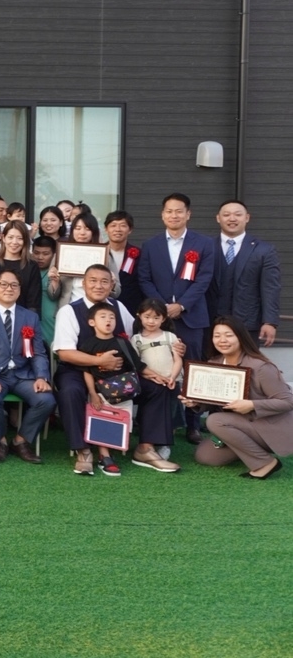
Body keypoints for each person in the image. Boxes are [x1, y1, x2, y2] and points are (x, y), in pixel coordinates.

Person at [51, 265, 148, 474]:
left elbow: (137, 336)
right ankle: (82, 449)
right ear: (83, 283)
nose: (98, 286)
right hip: (76, 369)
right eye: (93, 281)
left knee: (154, 387)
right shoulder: (69, 311)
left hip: (115, 371)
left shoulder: (119, 307)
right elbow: (65, 353)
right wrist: (99, 361)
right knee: (71, 391)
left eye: (104, 281)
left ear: (112, 285)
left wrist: (169, 343)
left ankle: (146, 447)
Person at [138, 192, 216, 443]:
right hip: (157, 319)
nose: (174, 215)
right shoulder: (150, 245)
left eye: (179, 211)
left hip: (191, 317)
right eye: (169, 211)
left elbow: (204, 279)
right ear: (162, 215)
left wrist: (181, 305)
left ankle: (193, 424)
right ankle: (158, 422)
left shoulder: (204, 244)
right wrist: (162, 308)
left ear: (188, 214)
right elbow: (144, 278)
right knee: (156, 366)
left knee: (192, 369)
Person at [0, 268, 54, 464]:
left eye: (14, 285)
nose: (9, 289)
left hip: (23, 375)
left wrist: (41, 377)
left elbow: (38, 352)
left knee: (46, 400)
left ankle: (20, 441)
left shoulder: (30, 317)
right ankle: (1, 442)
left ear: (20, 290)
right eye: (3, 284)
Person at [185, 317, 293, 479]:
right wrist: (195, 402)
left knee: (215, 420)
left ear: (240, 337)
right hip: (239, 425)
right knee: (205, 456)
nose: (222, 340)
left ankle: (265, 463)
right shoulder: (214, 363)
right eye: (217, 335)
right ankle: (247, 448)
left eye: (229, 335)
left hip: (269, 426)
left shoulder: (261, 367)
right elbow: (215, 399)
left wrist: (252, 405)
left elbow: (288, 401)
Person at [81, 304, 143, 476]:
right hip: (101, 391)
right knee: (102, 420)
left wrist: (157, 376)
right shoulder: (88, 344)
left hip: (124, 391)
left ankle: (111, 451)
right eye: (103, 316)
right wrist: (93, 393)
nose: (108, 320)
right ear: (92, 322)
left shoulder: (122, 342)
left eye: (112, 317)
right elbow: (86, 372)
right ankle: (104, 456)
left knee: (121, 422)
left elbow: (137, 365)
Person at [210, 199, 280, 346]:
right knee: (210, 360)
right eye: (226, 215)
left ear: (247, 217)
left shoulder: (264, 250)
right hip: (210, 322)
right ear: (218, 218)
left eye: (238, 214)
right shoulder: (206, 247)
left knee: (246, 360)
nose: (232, 219)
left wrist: (270, 322)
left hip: (248, 323)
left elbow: (270, 288)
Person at [128, 297, 183, 472]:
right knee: (156, 404)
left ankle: (164, 444)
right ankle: (149, 444)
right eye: (147, 317)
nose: (151, 321)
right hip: (150, 381)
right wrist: (153, 377)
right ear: (139, 316)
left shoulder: (170, 336)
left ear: (163, 318)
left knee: (171, 412)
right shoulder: (136, 339)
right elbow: (137, 365)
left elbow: (178, 359)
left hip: (171, 381)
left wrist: (172, 377)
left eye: (156, 317)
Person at [48, 211, 108, 304]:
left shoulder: (104, 254)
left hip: (98, 308)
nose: (82, 233)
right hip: (69, 307)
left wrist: (111, 281)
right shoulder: (61, 254)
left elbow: (116, 292)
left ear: (94, 232)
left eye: (87, 229)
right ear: (72, 231)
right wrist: (54, 282)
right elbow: (52, 296)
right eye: (78, 228)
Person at [0, 221, 42, 314]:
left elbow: (33, 302)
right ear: (3, 238)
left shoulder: (31, 266)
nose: (14, 242)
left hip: (22, 317)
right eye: (10, 237)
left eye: (20, 238)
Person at [104, 210, 144, 314]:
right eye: (113, 225)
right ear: (106, 229)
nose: (117, 229)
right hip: (103, 307)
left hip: (131, 309)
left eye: (123, 225)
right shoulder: (98, 252)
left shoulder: (140, 254)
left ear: (130, 230)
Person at [30, 236, 61, 344]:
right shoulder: (28, 270)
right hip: (32, 320)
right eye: (36, 253)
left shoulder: (58, 272)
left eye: (45, 254)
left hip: (52, 321)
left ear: (54, 254)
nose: (40, 257)